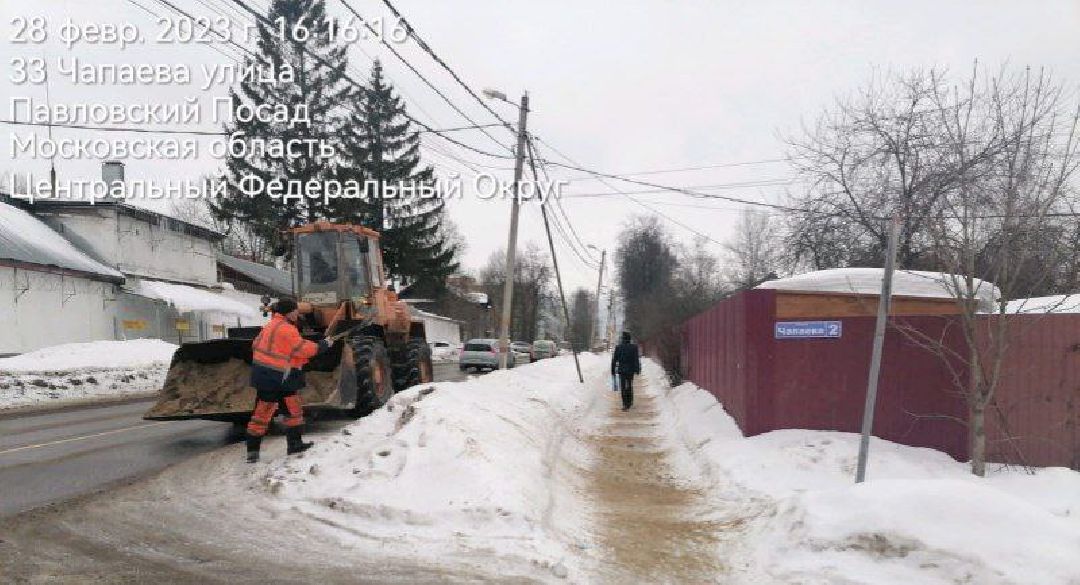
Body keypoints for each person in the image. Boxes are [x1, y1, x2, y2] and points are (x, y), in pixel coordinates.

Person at [245, 298, 332, 463]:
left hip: (263, 376)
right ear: (289, 312)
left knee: (261, 414)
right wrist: (323, 345)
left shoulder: (269, 326)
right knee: (293, 411)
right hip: (281, 378)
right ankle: (295, 444)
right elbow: (302, 350)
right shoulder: (287, 329)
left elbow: (256, 345)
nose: (297, 314)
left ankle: (252, 452)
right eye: (295, 311)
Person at [611, 331, 641, 411]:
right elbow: (636, 359)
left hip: (622, 370)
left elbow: (614, 360)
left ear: (622, 339)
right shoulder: (634, 347)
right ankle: (630, 401)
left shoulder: (618, 347)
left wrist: (613, 370)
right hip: (630, 370)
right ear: (629, 339)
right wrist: (637, 369)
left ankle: (625, 404)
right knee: (630, 385)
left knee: (623, 387)